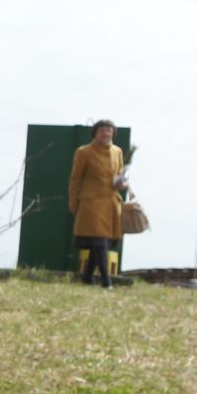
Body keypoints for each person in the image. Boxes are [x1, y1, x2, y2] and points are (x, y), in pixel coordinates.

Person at [68, 120, 126, 288]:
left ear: (113, 133)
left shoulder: (117, 151)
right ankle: (106, 281)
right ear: (95, 133)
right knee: (100, 240)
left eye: (108, 130)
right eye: (101, 130)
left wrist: (122, 183)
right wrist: (73, 201)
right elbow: (75, 179)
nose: (105, 133)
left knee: (102, 242)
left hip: (111, 202)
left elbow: (121, 173)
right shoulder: (84, 152)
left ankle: (87, 276)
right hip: (91, 203)